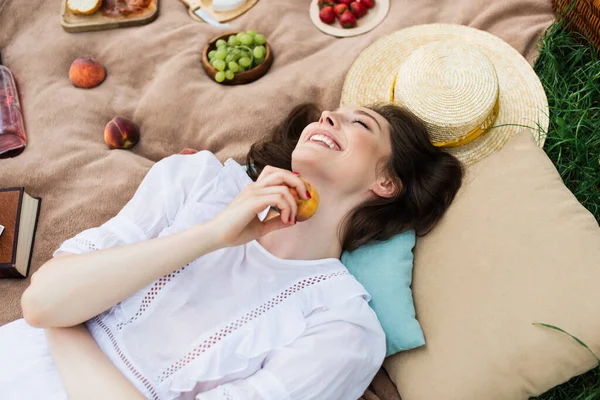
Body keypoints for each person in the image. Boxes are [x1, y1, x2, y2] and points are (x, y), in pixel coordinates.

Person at [0, 103, 463, 400]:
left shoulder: (343, 329)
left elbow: (49, 307)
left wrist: (66, 320)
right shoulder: (196, 180)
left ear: (387, 182)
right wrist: (213, 234)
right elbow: (40, 302)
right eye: (329, 115)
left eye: (359, 123)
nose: (328, 119)